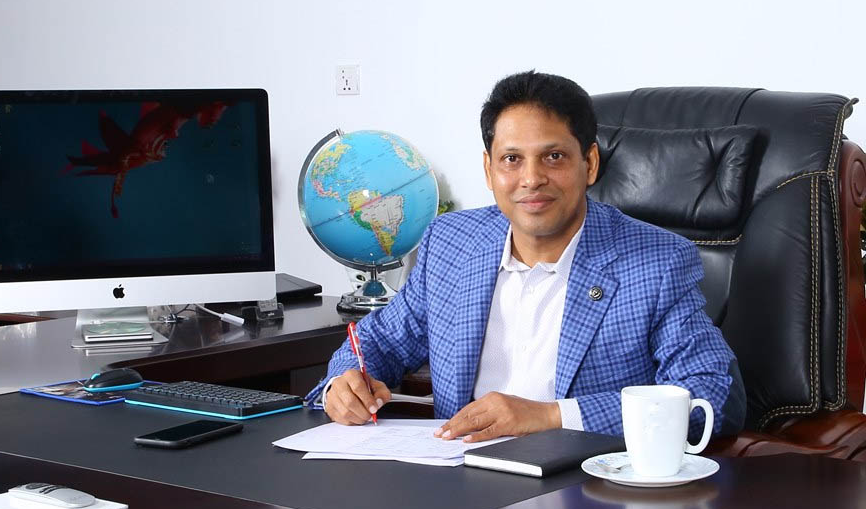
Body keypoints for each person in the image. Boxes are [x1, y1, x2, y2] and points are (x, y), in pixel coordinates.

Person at [307, 70, 746, 443]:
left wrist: (551, 416)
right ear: (489, 169)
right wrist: (343, 386)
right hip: (459, 488)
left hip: (583, 491)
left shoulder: (657, 263)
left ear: (590, 163)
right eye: (512, 159)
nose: (531, 179)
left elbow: (711, 396)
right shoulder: (450, 243)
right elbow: (376, 343)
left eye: (553, 157)